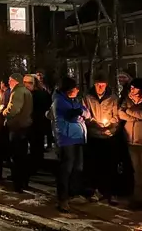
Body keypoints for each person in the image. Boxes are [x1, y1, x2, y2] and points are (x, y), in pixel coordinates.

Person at [82, 71, 120, 204]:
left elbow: (116, 116)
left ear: (106, 85)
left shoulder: (113, 98)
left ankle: (110, 192)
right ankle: (95, 191)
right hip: (94, 136)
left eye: (103, 85)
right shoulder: (88, 97)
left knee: (109, 166)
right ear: (94, 84)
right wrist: (94, 123)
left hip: (109, 137)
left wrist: (110, 124)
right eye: (98, 85)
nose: (100, 87)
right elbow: (85, 115)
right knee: (94, 166)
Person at [53, 76, 90, 212]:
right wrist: (80, 114)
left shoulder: (74, 100)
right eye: (75, 88)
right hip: (67, 138)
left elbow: (86, 112)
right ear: (68, 89)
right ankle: (62, 198)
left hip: (78, 138)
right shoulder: (59, 101)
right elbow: (72, 115)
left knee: (78, 167)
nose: (77, 90)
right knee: (66, 168)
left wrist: (81, 113)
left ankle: (74, 193)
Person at [119, 78, 142, 210]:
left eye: (134, 87)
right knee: (137, 171)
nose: (132, 89)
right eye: (131, 87)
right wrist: (134, 117)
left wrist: (129, 112)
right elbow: (120, 113)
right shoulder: (127, 99)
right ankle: (138, 197)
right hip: (131, 140)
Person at [3, 73, 33, 193]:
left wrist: (4, 111)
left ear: (15, 81)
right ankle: (24, 181)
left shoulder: (17, 92)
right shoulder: (26, 91)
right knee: (23, 155)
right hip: (25, 125)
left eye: (10, 80)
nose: (8, 82)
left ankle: (18, 184)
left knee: (16, 156)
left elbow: (13, 109)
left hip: (17, 127)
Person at [24, 74, 51, 183]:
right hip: (30, 123)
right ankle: (34, 164)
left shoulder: (40, 94)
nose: (27, 85)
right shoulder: (27, 94)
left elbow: (46, 107)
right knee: (33, 145)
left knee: (36, 145)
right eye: (25, 82)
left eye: (29, 83)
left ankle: (35, 165)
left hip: (38, 123)